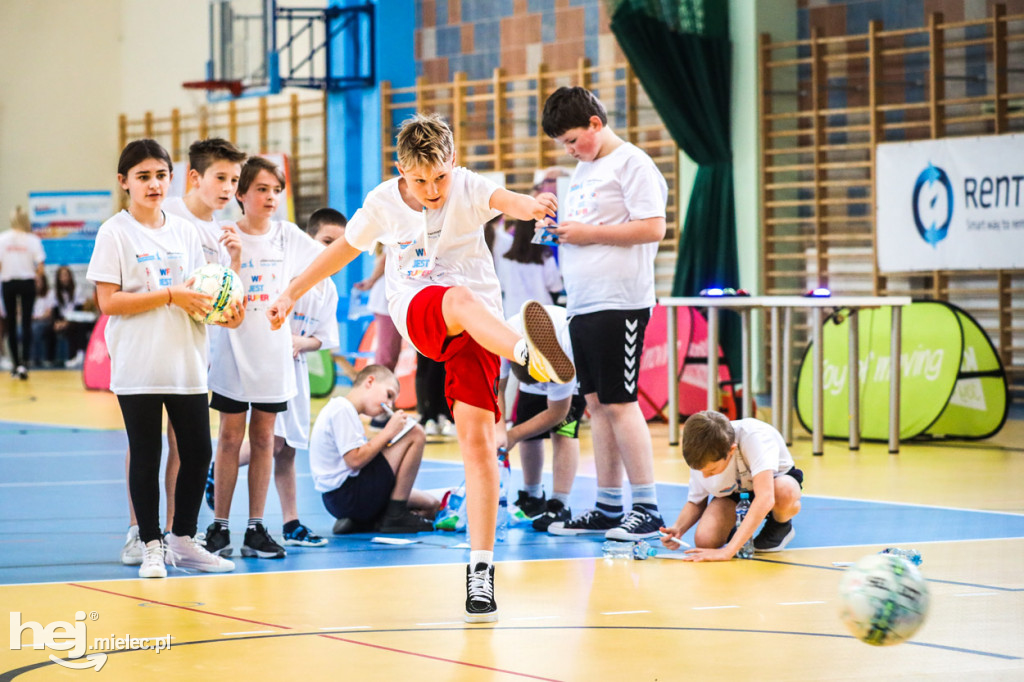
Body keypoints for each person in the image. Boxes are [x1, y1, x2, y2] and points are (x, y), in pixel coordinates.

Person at [267, 112, 574, 623]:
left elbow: (508, 202)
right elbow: (341, 252)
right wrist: (289, 292)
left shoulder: (469, 188)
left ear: (453, 162)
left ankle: (481, 572)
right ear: (400, 170)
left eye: (440, 177)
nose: (432, 189)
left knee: (479, 443)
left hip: (479, 324)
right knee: (454, 298)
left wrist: (535, 205)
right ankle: (526, 355)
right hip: (420, 307)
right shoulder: (384, 203)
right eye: (419, 180)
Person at [87, 138, 239, 579]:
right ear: (124, 183)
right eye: (142, 177)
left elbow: (201, 295)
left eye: (159, 175)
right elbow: (109, 302)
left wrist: (224, 313)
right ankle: (150, 544)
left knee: (196, 451)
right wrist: (170, 294)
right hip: (138, 364)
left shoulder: (186, 232)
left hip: (187, 361)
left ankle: (183, 540)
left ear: (170, 179)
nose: (153, 184)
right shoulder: (114, 232)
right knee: (148, 452)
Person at [540, 86, 668, 541]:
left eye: (574, 139)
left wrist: (588, 232)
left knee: (620, 401)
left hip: (620, 300)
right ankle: (609, 505)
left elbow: (654, 226)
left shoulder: (632, 163)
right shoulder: (584, 169)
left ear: (596, 123)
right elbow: (583, 230)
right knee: (595, 405)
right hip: (584, 300)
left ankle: (647, 507)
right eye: (565, 145)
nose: (571, 150)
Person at [204, 156, 322, 561]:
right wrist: (234, 263)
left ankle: (256, 528)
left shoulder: (289, 237)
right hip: (233, 353)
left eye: (276, 190)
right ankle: (219, 527)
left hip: (274, 356)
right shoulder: (223, 237)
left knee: (265, 440)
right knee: (229, 438)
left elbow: (330, 258)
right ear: (240, 194)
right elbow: (217, 303)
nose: (271, 197)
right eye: (261, 189)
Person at [217, 207, 345, 548]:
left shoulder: (327, 289)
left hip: (295, 370)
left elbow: (324, 337)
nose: (330, 251)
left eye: (338, 245)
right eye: (326, 242)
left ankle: (291, 523)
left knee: (285, 448)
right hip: (262, 367)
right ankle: (216, 474)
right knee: (266, 440)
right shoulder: (280, 275)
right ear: (308, 242)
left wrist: (300, 342)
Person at [311, 364, 438, 535]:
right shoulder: (342, 409)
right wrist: (389, 432)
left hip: (340, 499)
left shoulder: (342, 410)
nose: (389, 405)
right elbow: (355, 460)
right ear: (370, 381)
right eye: (389, 395)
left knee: (430, 505)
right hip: (348, 495)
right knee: (416, 433)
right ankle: (394, 515)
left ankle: (369, 521)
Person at [660, 411, 804, 559]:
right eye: (701, 471)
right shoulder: (700, 451)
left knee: (784, 490)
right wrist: (678, 528)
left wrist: (727, 551)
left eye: (711, 470)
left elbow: (765, 498)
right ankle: (738, 532)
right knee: (705, 539)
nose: (705, 476)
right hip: (735, 492)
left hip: (772, 486)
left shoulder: (755, 437)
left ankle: (780, 526)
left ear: (731, 450)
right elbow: (696, 502)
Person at [497, 304, 582, 531]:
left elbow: (558, 413)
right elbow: (498, 390)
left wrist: (512, 434)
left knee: (564, 431)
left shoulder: (566, 354)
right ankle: (532, 495)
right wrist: (499, 429)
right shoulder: (503, 344)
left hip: (564, 359)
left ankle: (559, 503)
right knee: (528, 429)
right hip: (531, 355)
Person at [0, 206, 46, 379]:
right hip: (27, 283)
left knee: (11, 323)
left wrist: (9, 270)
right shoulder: (32, 240)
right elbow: (40, 267)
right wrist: (33, 275)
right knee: (26, 322)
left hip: (9, 282)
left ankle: (15, 364)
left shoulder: (2, 238)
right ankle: (24, 364)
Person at [495, 218, 563, 318]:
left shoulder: (505, 260)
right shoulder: (545, 257)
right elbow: (556, 287)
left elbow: (502, 286)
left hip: (513, 316)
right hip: (542, 315)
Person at [52, 266, 94, 368]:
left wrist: (66, 322)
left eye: (66, 275)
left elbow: (78, 310)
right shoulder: (55, 293)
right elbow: (55, 311)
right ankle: (51, 360)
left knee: (76, 326)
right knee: (49, 329)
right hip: (61, 320)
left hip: (74, 319)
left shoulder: (77, 290)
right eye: (61, 275)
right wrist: (57, 322)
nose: (64, 278)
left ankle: (78, 355)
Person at [30, 270, 57, 367]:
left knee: (36, 328)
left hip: (45, 321)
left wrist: (37, 317)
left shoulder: (49, 294)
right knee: (25, 329)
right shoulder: (30, 296)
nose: (37, 284)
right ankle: (25, 358)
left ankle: (35, 359)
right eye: (35, 281)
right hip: (33, 321)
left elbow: (49, 313)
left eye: (39, 281)